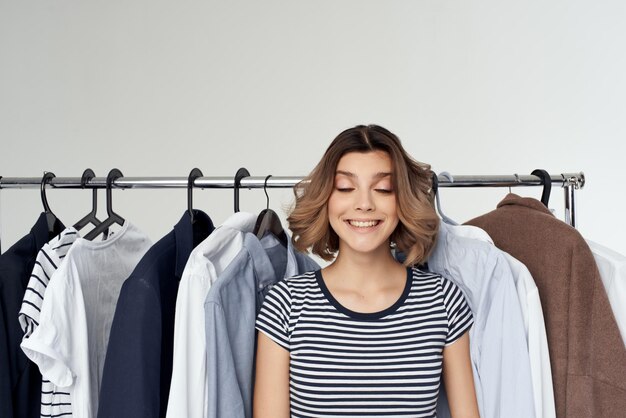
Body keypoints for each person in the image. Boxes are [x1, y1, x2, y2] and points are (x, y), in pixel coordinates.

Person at [254, 125, 480, 418]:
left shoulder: (443, 300)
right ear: (326, 198)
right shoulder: (285, 304)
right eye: (346, 188)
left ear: (402, 200)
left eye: (383, 189)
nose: (364, 204)